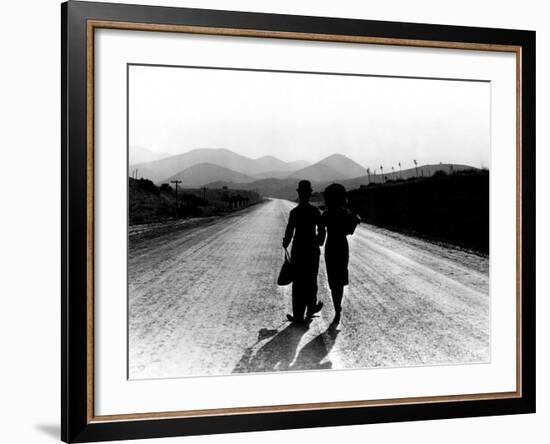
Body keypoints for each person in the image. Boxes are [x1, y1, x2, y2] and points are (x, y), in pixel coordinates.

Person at [282, 180, 326, 324]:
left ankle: (298, 315)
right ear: (310, 194)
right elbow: (321, 229)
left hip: (298, 250)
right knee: (311, 280)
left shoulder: (294, 212)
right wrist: (319, 241)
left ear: (300, 194)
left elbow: (289, 231)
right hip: (312, 250)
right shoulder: (314, 211)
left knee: (298, 282)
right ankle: (311, 308)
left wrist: (285, 243)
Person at [321, 183, 360, 326]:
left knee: (333, 279)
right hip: (342, 247)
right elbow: (350, 230)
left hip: (330, 247)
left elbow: (320, 237)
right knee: (340, 277)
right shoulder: (345, 214)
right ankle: (338, 308)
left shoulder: (326, 214)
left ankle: (337, 307)